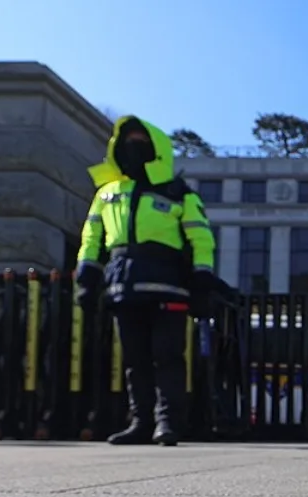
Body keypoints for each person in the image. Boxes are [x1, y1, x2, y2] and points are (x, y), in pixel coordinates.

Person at [74, 115, 216, 446]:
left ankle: (168, 423)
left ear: (156, 148)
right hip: (124, 285)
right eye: (128, 142)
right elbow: (91, 237)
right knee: (135, 361)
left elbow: (201, 239)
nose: (133, 147)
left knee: (167, 357)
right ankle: (141, 422)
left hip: (169, 284)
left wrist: (203, 280)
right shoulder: (107, 193)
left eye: (141, 141)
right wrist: (86, 279)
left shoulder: (179, 192)